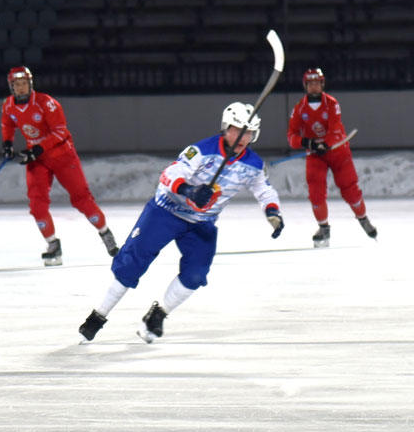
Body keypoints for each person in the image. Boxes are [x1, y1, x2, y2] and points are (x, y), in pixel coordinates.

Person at [78, 102, 284, 343]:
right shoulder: (201, 151)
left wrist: (273, 212)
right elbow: (170, 175)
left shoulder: (253, 165)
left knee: (196, 275)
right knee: (130, 265)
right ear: (226, 128)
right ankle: (99, 316)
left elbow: (264, 190)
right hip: (165, 211)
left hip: (201, 223)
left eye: (248, 132)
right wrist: (189, 189)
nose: (243, 137)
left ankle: (158, 315)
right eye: (238, 130)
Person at [0, 66, 118, 266]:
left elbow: (60, 132)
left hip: (62, 155)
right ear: (12, 87)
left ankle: (105, 233)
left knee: (81, 199)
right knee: (37, 204)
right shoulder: (8, 105)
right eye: (17, 84)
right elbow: (8, 124)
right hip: (38, 159)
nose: (21, 88)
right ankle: (53, 244)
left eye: (24, 83)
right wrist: (8, 144)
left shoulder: (47, 103)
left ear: (30, 84)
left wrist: (36, 149)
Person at [288, 68, 377, 247]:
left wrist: (326, 143)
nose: (314, 86)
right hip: (315, 154)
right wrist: (308, 143)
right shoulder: (299, 108)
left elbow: (335, 128)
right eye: (310, 83)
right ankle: (323, 227)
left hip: (337, 151)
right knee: (316, 193)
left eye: (317, 82)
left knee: (350, 189)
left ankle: (362, 217)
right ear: (305, 85)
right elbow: (291, 136)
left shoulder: (331, 103)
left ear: (322, 84)